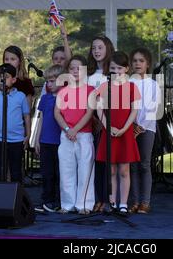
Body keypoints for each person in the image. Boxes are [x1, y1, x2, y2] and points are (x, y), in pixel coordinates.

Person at [96, 52, 141, 214]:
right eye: (113, 68)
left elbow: (134, 110)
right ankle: (112, 201)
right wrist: (108, 127)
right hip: (110, 132)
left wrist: (123, 129)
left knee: (124, 170)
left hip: (125, 132)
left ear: (127, 69)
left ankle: (123, 203)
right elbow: (99, 108)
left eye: (119, 68)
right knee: (112, 170)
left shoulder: (131, 87)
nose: (116, 71)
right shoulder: (104, 86)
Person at [54, 55, 96, 214]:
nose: (75, 71)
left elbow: (89, 113)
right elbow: (57, 113)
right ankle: (67, 204)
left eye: (79, 68)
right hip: (66, 136)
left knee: (85, 171)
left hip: (83, 135)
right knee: (66, 170)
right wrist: (67, 130)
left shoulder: (90, 90)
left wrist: (75, 130)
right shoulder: (63, 91)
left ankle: (84, 205)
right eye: (72, 68)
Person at [0, 63, 31, 183]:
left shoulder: (21, 96)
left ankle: (17, 198)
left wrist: (28, 135)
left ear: (14, 79)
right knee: (0, 171)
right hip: (0, 140)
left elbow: (26, 116)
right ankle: (1, 197)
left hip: (17, 140)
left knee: (16, 172)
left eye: (6, 76)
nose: (2, 79)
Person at [129, 48, 162, 214]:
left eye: (141, 61)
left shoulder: (153, 84)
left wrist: (141, 126)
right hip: (130, 128)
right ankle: (134, 201)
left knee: (144, 164)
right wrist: (132, 126)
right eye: (134, 61)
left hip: (147, 128)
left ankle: (145, 202)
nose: (137, 64)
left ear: (147, 64)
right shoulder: (127, 83)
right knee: (132, 166)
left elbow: (153, 108)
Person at [87, 36, 115, 213]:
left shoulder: (112, 74)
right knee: (96, 163)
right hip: (93, 124)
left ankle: (109, 199)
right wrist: (94, 120)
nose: (96, 51)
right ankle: (98, 198)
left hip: (111, 123)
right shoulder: (88, 75)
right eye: (94, 48)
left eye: (100, 47)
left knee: (109, 164)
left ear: (108, 49)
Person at [34, 65, 64, 212]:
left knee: (60, 173)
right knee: (46, 173)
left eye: (52, 81)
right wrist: (36, 139)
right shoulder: (45, 98)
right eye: (47, 81)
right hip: (45, 141)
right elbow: (41, 119)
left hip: (60, 141)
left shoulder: (66, 98)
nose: (49, 84)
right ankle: (47, 200)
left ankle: (59, 201)